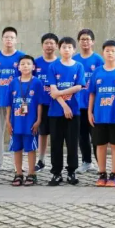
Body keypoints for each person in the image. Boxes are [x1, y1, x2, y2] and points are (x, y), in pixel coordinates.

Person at [88, 40, 115, 187]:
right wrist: (89, 112)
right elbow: (92, 93)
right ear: (103, 53)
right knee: (100, 145)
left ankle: (114, 174)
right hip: (99, 116)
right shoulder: (97, 72)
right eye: (107, 51)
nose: (110, 53)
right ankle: (102, 173)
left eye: (113, 51)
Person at [46, 37, 85, 186]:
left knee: (72, 143)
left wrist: (60, 93)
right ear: (59, 49)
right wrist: (64, 106)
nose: (66, 49)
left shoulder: (79, 66)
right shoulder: (53, 67)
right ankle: (56, 173)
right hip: (56, 112)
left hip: (74, 111)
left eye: (69, 47)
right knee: (56, 143)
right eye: (64, 47)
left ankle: (71, 171)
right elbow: (52, 90)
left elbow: (78, 87)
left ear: (74, 49)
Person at [0, 27, 25, 173]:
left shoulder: (21, 57)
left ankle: (18, 164)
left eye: (12, 37)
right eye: (6, 37)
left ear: (16, 40)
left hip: (16, 102)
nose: (9, 40)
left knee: (18, 131)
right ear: (2, 39)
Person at [4, 55, 44, 187]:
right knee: (17, 148)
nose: (25, 66)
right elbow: (9, 104)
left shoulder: (37, 83)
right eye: (22, 64)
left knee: (30, 148)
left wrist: (38, 120)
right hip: (16, 122)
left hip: (30, 122)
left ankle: (32, 173)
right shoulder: (13, 82)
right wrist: (8, 121)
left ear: (33, 67)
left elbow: (39, 103)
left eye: (28, 63)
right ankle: (18, 173)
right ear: (18, 67)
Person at [73, 29, 104, 174]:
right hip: (78, 104)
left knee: (96, 135)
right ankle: (86, 162)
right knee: (82, 135)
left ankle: (100, 163)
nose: (85, 42)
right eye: (82, 39)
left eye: (88, 39)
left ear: (93, 42)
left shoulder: (98, 60)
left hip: (95, 105)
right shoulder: (74, 60)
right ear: (79, 42)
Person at [34, 33, 58, 173]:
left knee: (56, 134)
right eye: (46, 43)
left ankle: (56, 162)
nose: (49, 46)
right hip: (41, 105)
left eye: (52, 43)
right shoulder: (36, 63)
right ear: (42, 45)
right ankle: (41, 160)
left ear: (56, 46)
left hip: (57, 104)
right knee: (42, 133)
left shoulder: (60, 63)